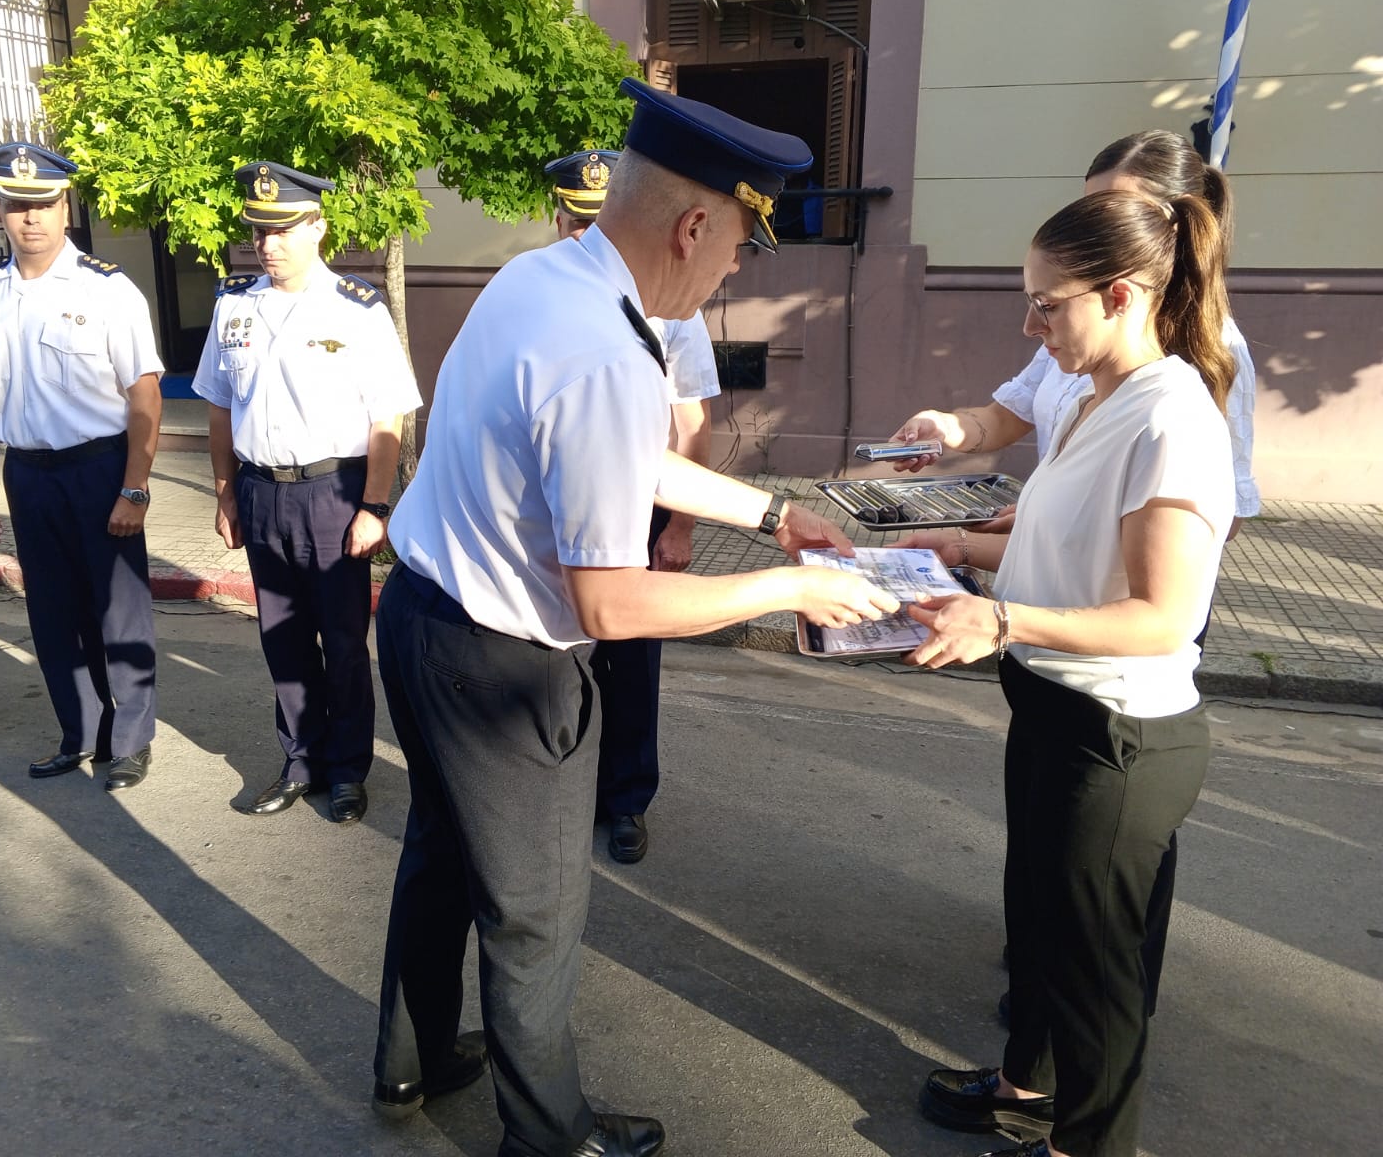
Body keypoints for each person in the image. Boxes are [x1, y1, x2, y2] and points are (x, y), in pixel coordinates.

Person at [369, 79, 896, 1157]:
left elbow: (619, 457)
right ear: (695, 224)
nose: (736, 271)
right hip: (503, 664)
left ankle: (408, 1063)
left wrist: (771, 514)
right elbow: (609, 604)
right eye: (742, 246)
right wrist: (787, 588)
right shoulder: (609, 348)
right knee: (534, 916)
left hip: (422, 619)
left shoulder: (546, 279)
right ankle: (548, 1137)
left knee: (437, 857)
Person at [900, 187, 1236, 1157]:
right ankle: (1025, 1083)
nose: (1029, 322)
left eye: (1048, 303)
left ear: (1123, 295)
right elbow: (1056, 545)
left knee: (1098, 980)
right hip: (1052, 704)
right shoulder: (1093, 399)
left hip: (1118, 739)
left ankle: (1081, 1142)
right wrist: (947, 548)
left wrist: (997, 617)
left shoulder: (1169, 421)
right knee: (1040, 925)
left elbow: (1159, 617)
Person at [888, 131, 1259, 537]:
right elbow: (1008, 418)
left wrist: (1041, 535)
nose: (1092, 228)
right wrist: (944, 428)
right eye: (1088, 209)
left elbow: (1209, 527)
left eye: (1114, 209)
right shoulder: (1080, 336)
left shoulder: (1197, 369)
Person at [193, 161, 420, 823]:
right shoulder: (234, 303)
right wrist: (225, 492)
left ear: (318, 226)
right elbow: (217, 406)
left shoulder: (357, 308)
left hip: (335, 493)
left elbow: (389, 416)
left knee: (344, 641)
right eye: (259, 229)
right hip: (263, 493)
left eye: (283, 228)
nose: (268, 242)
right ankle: (300, 761)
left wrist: (375, 507)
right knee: (282, 639)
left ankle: (347, 770)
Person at [0, 141, 163, 792]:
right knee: (52, 613)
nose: (32, 219)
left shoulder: (108, 288)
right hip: (29, 474)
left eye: (43, 203)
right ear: (0, 206)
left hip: (99, 469)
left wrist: (135, 487)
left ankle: (131, 739)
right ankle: (80, 733)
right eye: (18, 206)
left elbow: (145, 396)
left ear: (64, 203)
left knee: (118, 612)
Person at [545, 148, 724, 865]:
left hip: (639, 503)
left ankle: (624, 800)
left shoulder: (671, 308)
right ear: (555, 219)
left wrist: (680, 526)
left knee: (630, 661)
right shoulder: (533, 296)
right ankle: (561, 788)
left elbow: (692, 428)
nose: (588, 238)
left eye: (600, 223)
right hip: (552, 510)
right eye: (575, 223)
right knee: (553, 659)